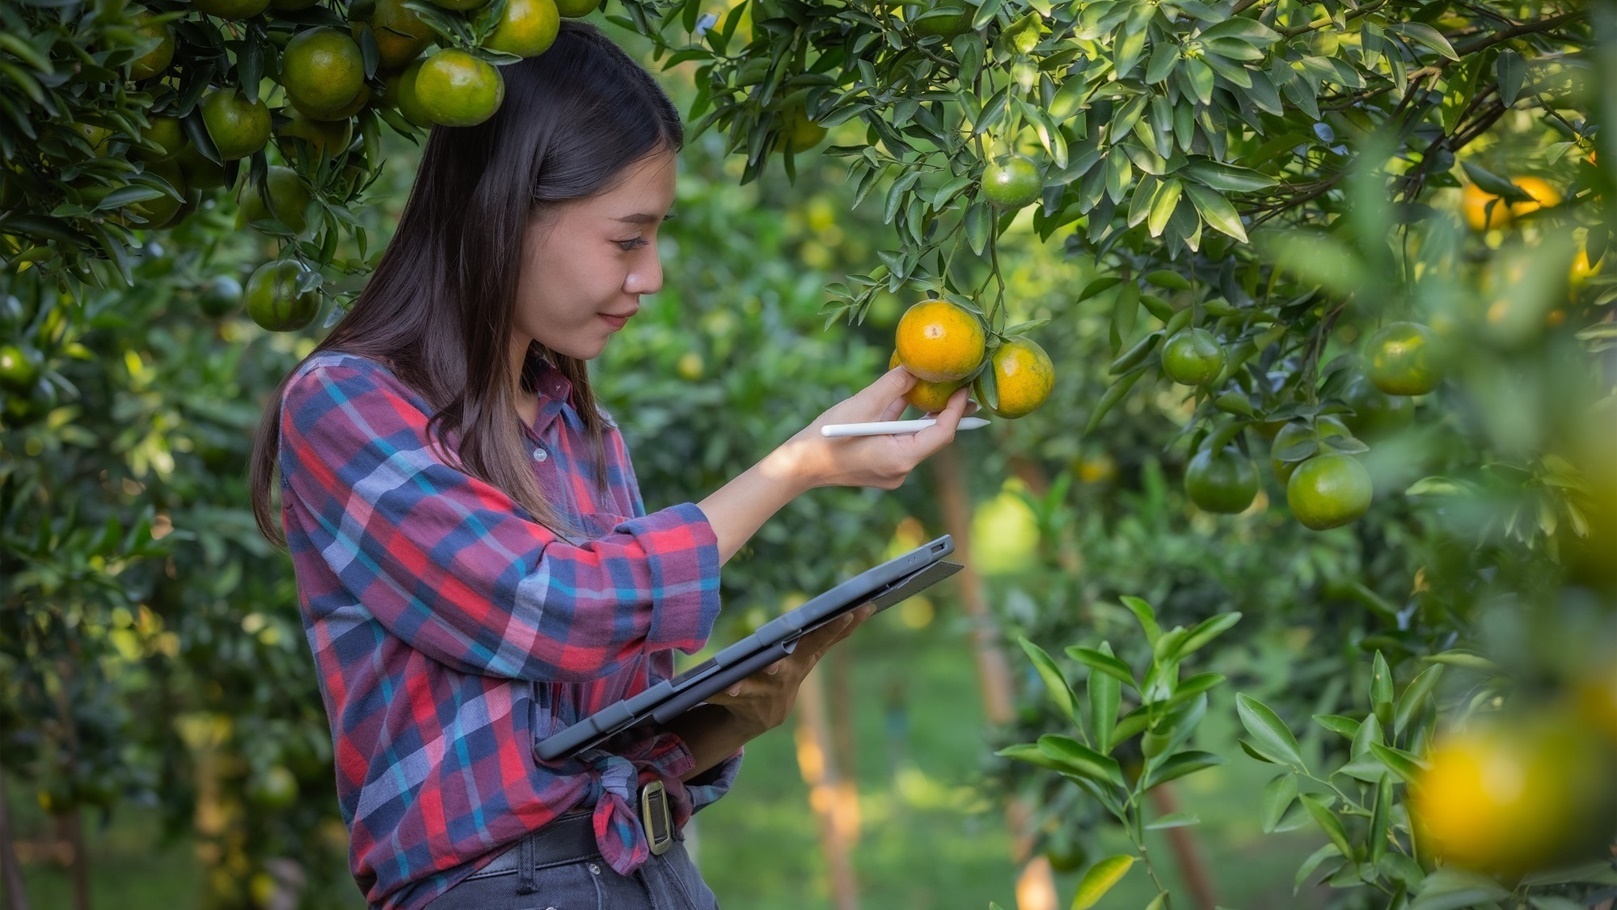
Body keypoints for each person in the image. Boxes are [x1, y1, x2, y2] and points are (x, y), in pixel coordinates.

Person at [247, 20, 970, 910]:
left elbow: (598, 743)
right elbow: (550, 606)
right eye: (627, 240)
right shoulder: (346, 406)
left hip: (647, 877)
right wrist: (796, 467)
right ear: (504, 214)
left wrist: (728, 710)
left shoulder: (583, 433)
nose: (651, 275)